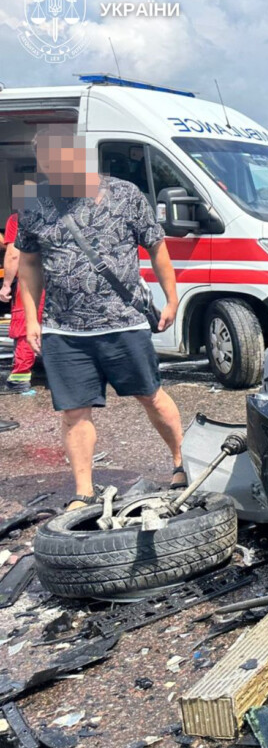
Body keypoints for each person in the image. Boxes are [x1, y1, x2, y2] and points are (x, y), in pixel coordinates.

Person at [16, 126, 186, 510]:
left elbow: (157, 248)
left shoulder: (125, 194)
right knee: (73, 412)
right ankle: (83, 491)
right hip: (64, 328)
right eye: (46, 164)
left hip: (123, 322)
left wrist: (172, 300)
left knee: (151, 396)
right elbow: (28, 264)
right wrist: (31, 319)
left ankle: (181, 461)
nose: (53, 170)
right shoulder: (34, 203)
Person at [1, 191, 43, 393]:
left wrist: (6, 284)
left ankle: (20, 378)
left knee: (25, 323)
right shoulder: (55, 215)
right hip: (57, 277)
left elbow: (13, 254)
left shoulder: (18, 218)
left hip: (33, 278)